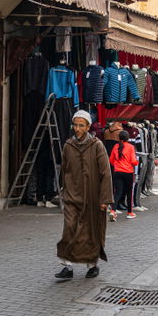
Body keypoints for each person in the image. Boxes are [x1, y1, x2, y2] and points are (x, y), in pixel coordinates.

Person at [56, 110, 112, 280]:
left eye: (81, 125)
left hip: (92, 197)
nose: (78, 128)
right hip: (72, 195)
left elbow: (106, 173)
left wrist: (105, 199)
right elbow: (64, 169)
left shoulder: (97, 145)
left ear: (88, 127)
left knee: (90, 232)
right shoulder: (68, 146)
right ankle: (67, 266)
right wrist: (63, 190)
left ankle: (92, 265)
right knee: (69, 229)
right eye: (75, 125)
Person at [109, 130, 139, 219]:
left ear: (119, 138)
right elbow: (133, 161)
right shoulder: (131, 147)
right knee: (129, 193)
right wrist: (137, 162)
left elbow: (111, 160)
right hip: (128, 172)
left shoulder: (115, 146)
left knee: (117, 192)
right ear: (128, 138)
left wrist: (117, 165)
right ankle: (130, 212)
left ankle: (113, 210)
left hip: (117, 172)